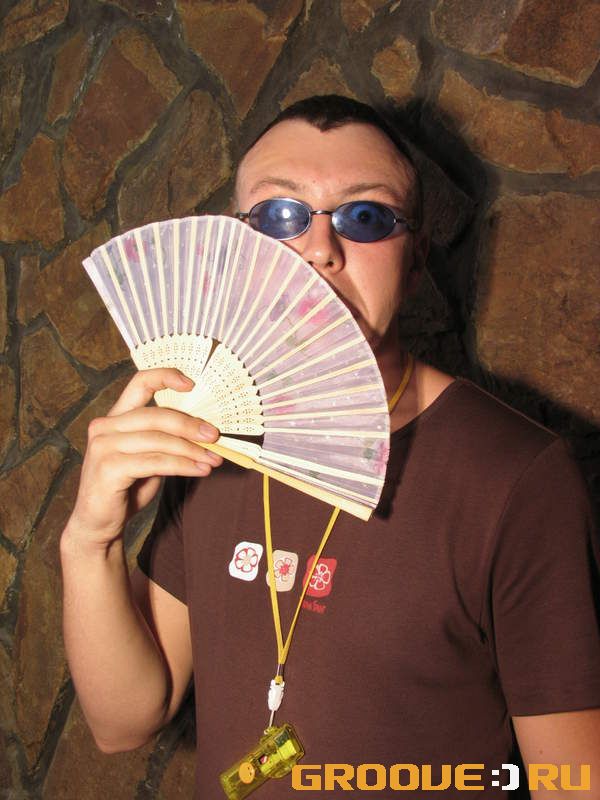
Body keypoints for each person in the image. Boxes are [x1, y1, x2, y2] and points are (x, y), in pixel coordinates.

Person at [60, 96, 600, 799]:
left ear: (415, 262)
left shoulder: (517, 477)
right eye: (279, 216)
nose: (319, 248)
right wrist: (90, 541)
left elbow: (573, 781)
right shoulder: (207, 439)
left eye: (365, 217)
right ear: (235, 252)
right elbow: (123, 722)